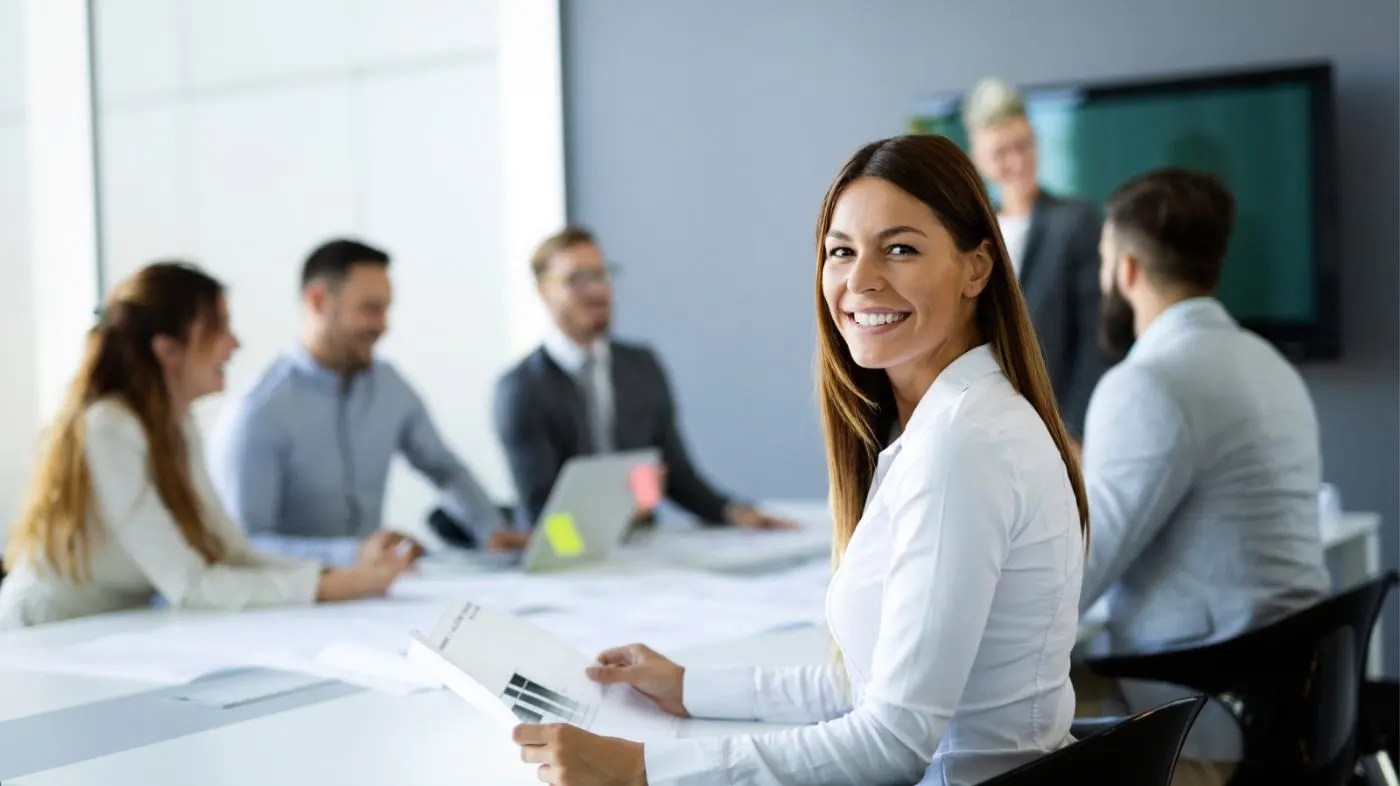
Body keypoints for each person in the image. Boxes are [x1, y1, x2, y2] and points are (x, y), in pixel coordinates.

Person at [509, 134, 1089, 786]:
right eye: (841, 251)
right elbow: (867, 688)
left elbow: (889, 743)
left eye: (899, 249)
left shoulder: (963, 445)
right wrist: (687, 686)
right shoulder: (955, 423)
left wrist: (639, 769)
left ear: (977, 269)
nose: (861, 279)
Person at [1075, 169, 1330, 786]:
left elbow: (1071, 580)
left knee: (986, 722)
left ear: (1128, 271)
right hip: (1295, 709)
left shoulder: (1148, 384)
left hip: (1208, 729)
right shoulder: (1269, 362)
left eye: (1106, 262)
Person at [0, 263, 411, 630]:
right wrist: (332, 587)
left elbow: (231, 552)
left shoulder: (177, 426)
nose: (235, 344)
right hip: (46, 635)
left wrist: (343, 570)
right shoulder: (108, 429)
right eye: (220, 328)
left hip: (110, 633)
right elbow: (190, 585)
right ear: (168, 350)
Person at [445, 225, 796, 542]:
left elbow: (677, 474)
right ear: (543, 291)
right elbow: (544, 516)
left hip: (642, 548)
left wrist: (733, 512)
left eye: (601, 274)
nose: (597, 290)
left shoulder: (641, 366)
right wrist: (611, 522)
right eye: (578, 278)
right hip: (566, 557)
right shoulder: (520, 389)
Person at [208, 239, 510, 563]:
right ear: (318, 301)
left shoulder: (390, 386)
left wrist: (492, 531)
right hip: (298, 601)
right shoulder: (259, 411)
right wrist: (353, 554)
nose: (383, 326)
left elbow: (446, 470)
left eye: (386, 309)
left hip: (374, 596)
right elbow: (244, 545)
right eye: (370, 309)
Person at [963, 76, 1108, 438]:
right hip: (983, 423)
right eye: (1000, 153)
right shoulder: (968, 235)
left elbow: (1097, 337)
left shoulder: (1075, 221)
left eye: (1024, 145)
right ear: (978, 160)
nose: (1017, 162)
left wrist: (1075, 433)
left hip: (1056, 423)